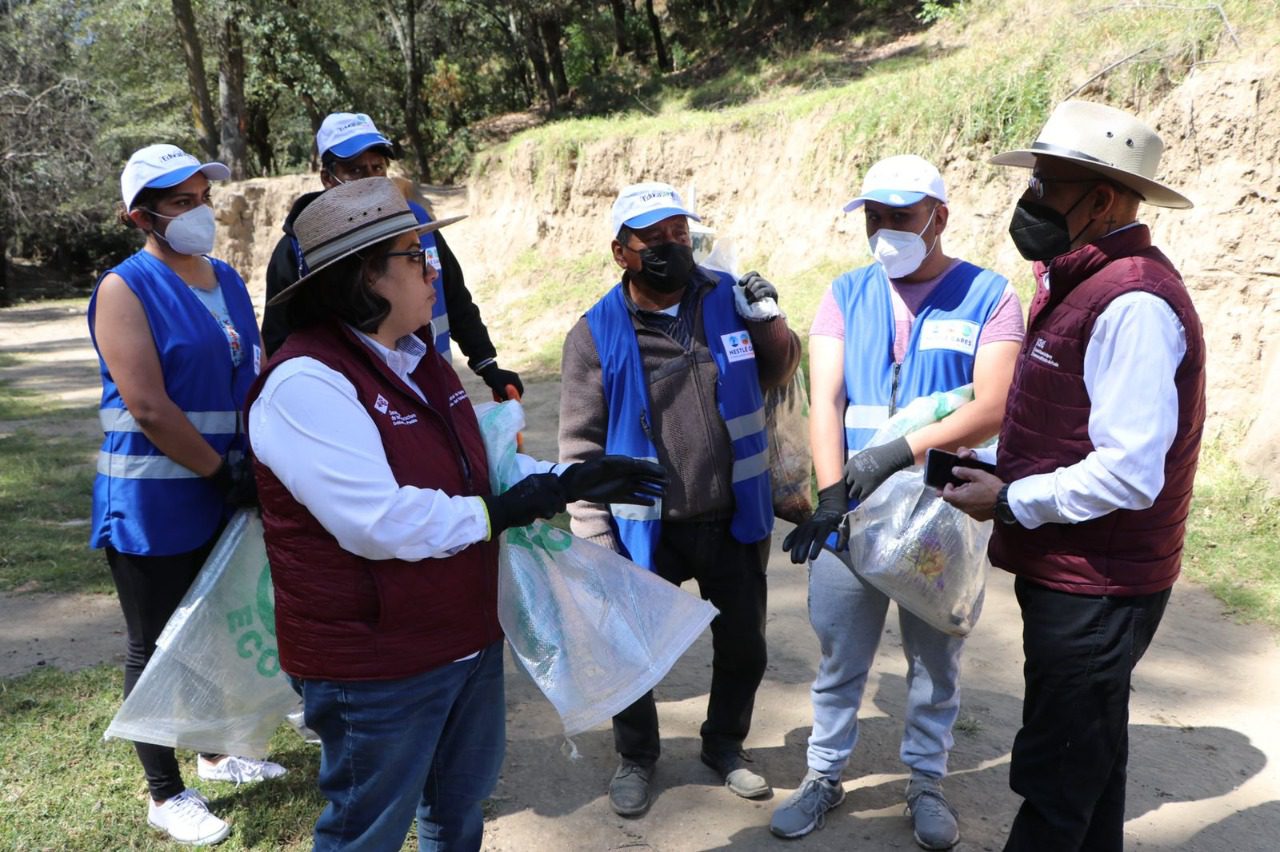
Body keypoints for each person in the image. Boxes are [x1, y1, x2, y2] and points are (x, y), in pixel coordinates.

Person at [247, 176, 665, 852]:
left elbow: (478, 473)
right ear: (368, 277)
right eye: (416, 255)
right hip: (377, 662)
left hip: (463, 636)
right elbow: (377, 523)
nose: (433, 269)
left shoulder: (420, 362)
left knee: (456, 809)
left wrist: (567, 479)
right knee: (366, 828)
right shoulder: (306, 383)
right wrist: (501, 512)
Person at [942, 100, 1205, 852]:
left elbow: (1129, 474)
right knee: (1092, 761)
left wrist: (1012, 499)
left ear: (1103, 198)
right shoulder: (1080, 279)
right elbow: (1068, 426)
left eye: (1046, 184)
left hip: (1099, 580)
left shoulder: (1133, 303)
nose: (1029, 200)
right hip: (1073, 565)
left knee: (1058, 779)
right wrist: (994, 466)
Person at [774, 155, 1024, 849]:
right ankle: (823, 775)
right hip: (851, 513)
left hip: (939, 514)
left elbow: (995, 406)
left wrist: (896, 453)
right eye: (873, 218)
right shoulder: (844, 295)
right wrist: (829, 496)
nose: (884, 230)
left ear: (939, 217)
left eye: (901, 217)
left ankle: (925, 781)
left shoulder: (991, 296)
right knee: (838, 656)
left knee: (934, 662)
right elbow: (824, 399)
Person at [559, 181, 802, 817]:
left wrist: (770, 318)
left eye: (679, 232)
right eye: (655, 237)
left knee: (745, 645)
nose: (673, 245)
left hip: (731, 513)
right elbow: (578, 452)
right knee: (630, 654)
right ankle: (636, 756)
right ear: (621, 252)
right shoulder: (594, 334)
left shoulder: (725, 298)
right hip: (646, 528)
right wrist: (597, 541)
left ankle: (725, 745)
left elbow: (780, 372)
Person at [89, 144, 286, 846]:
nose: (197, 209)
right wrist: (220, 471)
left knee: (208, 626)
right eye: (179, 200)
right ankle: (164, 793)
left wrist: (251, 465)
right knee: (155, 641)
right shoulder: (125, 288)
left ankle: (214, 753)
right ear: (139, 215)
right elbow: (147, 405)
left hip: (223, 487)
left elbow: (248, 375)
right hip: (154, 499)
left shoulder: (228, 280)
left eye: (201, 194)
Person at [260, 112, 522, 400]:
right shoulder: (299, 251)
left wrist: (487, 364)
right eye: (356, 171)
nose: (371, 180)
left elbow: (455, 297)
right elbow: (279, 339)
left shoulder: (418, 222)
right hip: (360, 402)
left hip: (434, 387)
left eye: (378, 168)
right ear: (328, 178)